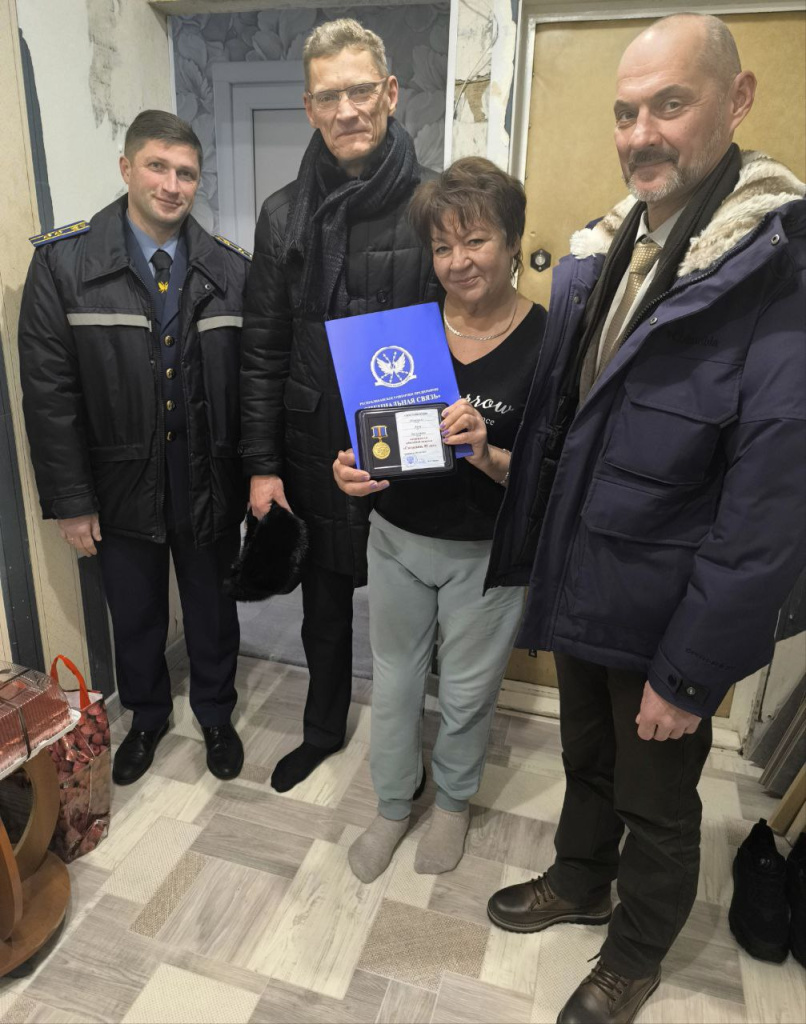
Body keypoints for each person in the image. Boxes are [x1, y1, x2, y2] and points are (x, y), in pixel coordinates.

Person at [483, 14, 806, 1024]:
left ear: (736, 100)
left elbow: (769, 507)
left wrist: (691, 670)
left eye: (670, 104)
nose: (640, 133)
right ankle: (581, 877)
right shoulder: (616, 242)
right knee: (584, 756)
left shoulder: (777, 271)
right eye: (626, 112)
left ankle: (634, 952)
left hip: (667, 610)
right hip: (586, 575)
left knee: (658, 800)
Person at [18, 110, 250, 786]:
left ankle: (215, 714)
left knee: (213, 610)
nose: (172, 185)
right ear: (126, 168)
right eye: (157, 166)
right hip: (118, 485)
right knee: (136, 612)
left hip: (209, 478)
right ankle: (147, 717)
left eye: (187, 173)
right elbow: (50, 394)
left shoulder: (232, 269)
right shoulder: (63, 264)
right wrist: (70, 500)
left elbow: (253, 381)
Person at [333, 157, 546, 882]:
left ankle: (453, 802)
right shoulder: (404, 330)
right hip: (396, 539)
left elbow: (552, 474)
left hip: (487, 552)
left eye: (476, 240)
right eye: (443, 246)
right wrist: (347, 472)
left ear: (512, 241)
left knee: (465, 692)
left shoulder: (549, 341)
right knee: (394, 685)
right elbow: (362, 434)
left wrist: (488, 453)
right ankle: (394, 803)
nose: (459, 261)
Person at [240, 18, 439, 793]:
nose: (347, 109)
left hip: (410, 439)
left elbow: (466, 329)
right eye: (329, 96)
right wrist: (263, 468)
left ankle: (406, 748)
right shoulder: (282, 214)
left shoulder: (436, 202)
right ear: (309, 107)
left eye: (360, 90)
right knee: (323, 606)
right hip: (312, 441)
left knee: (410, 614)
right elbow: (263, 350)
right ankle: (322, 730)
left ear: (389, 93)